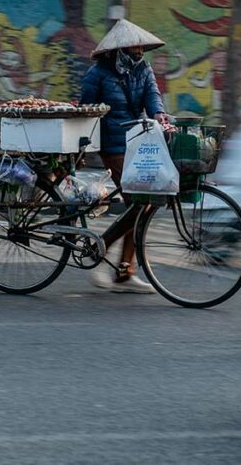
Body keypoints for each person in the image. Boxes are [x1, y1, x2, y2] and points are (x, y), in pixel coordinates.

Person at [80, 19, 169, 294]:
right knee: (138, 203)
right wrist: (81, 148)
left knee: (142, 204)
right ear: (119, 50)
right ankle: (107, 254)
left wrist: (158, 113)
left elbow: (152, 95)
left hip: (139, 142)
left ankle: (122, 271)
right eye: (134, 48)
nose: (139, 52)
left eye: (141, 48)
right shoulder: (97, 74)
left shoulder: (143, 69)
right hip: (112, 145)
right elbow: (86, 110)